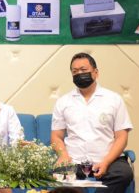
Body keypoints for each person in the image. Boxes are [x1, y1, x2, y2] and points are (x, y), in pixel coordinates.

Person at [51, 52, 134, 193]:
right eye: (75, 72)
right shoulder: (63, 102)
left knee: (123, 174)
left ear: (96, 73)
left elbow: (122, 137)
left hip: (109, 160)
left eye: (83, 70)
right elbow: (56, 136)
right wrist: (63, 155)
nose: (79, 74)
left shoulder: (114, 99)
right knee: (59, 176)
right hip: (74, 161)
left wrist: (106, 162)